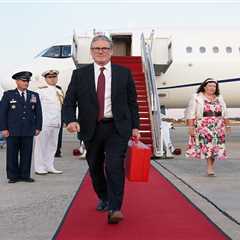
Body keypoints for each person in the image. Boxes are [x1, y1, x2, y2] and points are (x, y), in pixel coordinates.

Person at [63, 35, 140, 224]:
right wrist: (70, 120)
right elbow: (69, 102)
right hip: (92, 128)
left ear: (111, 51)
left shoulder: (124, 73)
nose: (100, 51)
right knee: (95, 166)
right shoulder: (80, 74)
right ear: (91, 51)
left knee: (114, 165)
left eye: (105, 48)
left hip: (117, 127)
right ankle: (104, 197)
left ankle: (115, 207)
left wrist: (135, 126)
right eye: (96, 48)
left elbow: (132, 103)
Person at [0, 71, 42, 183]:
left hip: (28, 130)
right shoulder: (8, 95)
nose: (26, 83)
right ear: (17, 81)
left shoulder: (34, 95)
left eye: (27, 81)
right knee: (12, 154)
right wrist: (3, 128)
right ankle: (13, 176)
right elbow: (2, 113)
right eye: (23, 81)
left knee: (26, 154)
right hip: (12, 130)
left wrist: (38, 127)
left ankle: (25, 175)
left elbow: (38, 113)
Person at [184, 78, 230, 176]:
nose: (212, 88)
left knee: (215, 148)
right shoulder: (196, 97)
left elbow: (225, 112)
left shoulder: (219, 97)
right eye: (210, 86)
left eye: (214, 86)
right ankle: (210, 167)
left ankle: (210, 167)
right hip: (203, 126)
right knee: (208, 147)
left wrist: (227, 124)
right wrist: (191, 127)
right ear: (204, 87)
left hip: (218, 126)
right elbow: (191, 113)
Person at [34, 70, 63, 175]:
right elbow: (34, 108)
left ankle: (49, 166)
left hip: (56, 122)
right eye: (50, 77)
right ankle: (39, 167)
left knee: (52, 146)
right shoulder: (40, 91)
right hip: (44, 123)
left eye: (54, 77)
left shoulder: (59, 90)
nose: (52, 79)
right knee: (41, 146)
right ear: (46, 79)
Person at [54, 84, 64, 158]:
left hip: (58, 116)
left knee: (57, 134)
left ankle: (57, 150)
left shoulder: (59, 90)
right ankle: (57, 150)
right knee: (58, 134)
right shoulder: (60, 91)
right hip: (58, 116)